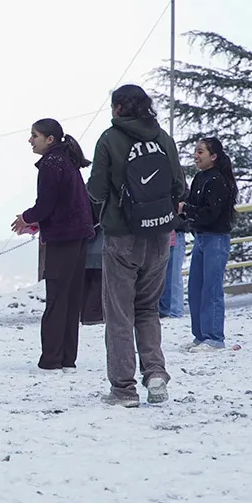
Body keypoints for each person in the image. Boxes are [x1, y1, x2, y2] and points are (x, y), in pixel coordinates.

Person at [86, 84, 186, 407]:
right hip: (159, 237)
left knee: (119, 313)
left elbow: (97, 190)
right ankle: (156, 374)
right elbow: (179, 186)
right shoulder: (162, 138)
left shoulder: (109, 139)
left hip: (122, 237)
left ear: (117, 108)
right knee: (147, 309)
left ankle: (123, 389)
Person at [12, 119, 95, 370]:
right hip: (79, 235)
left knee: (57, 298)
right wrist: (38, 223)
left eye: (34, 135)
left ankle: (51, 359)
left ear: (50, 139)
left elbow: (46, 204)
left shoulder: (51, 163)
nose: (30, 140)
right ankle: (67, 358)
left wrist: (26, 218)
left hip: (63, 238)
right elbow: (64, 203)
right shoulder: (67, 160)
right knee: (70, 299)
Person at [179, 136, 236, 352]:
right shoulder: (200, 178)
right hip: (201, 237)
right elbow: (194, 206)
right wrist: (185, 211)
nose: (196, 155)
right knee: (196, 287)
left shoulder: (219, 181)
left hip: (216, 238)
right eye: (195, 150)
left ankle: (214, 337)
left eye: (201, 151)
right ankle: (200, 335)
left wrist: (187, 210)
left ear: (213, 156)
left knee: (211, 289)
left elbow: (211, 213)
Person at [158, 226, 186, 318]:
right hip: (160, 238)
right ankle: (164, 309)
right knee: (161, 277)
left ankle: (175, 310)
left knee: (174, 277)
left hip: (173, 235)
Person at [81, 225, 104, 325]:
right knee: (98, 284)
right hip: (99, 249)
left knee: (86, 284)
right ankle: (93, 315)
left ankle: (84, 314)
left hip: (84, 249)